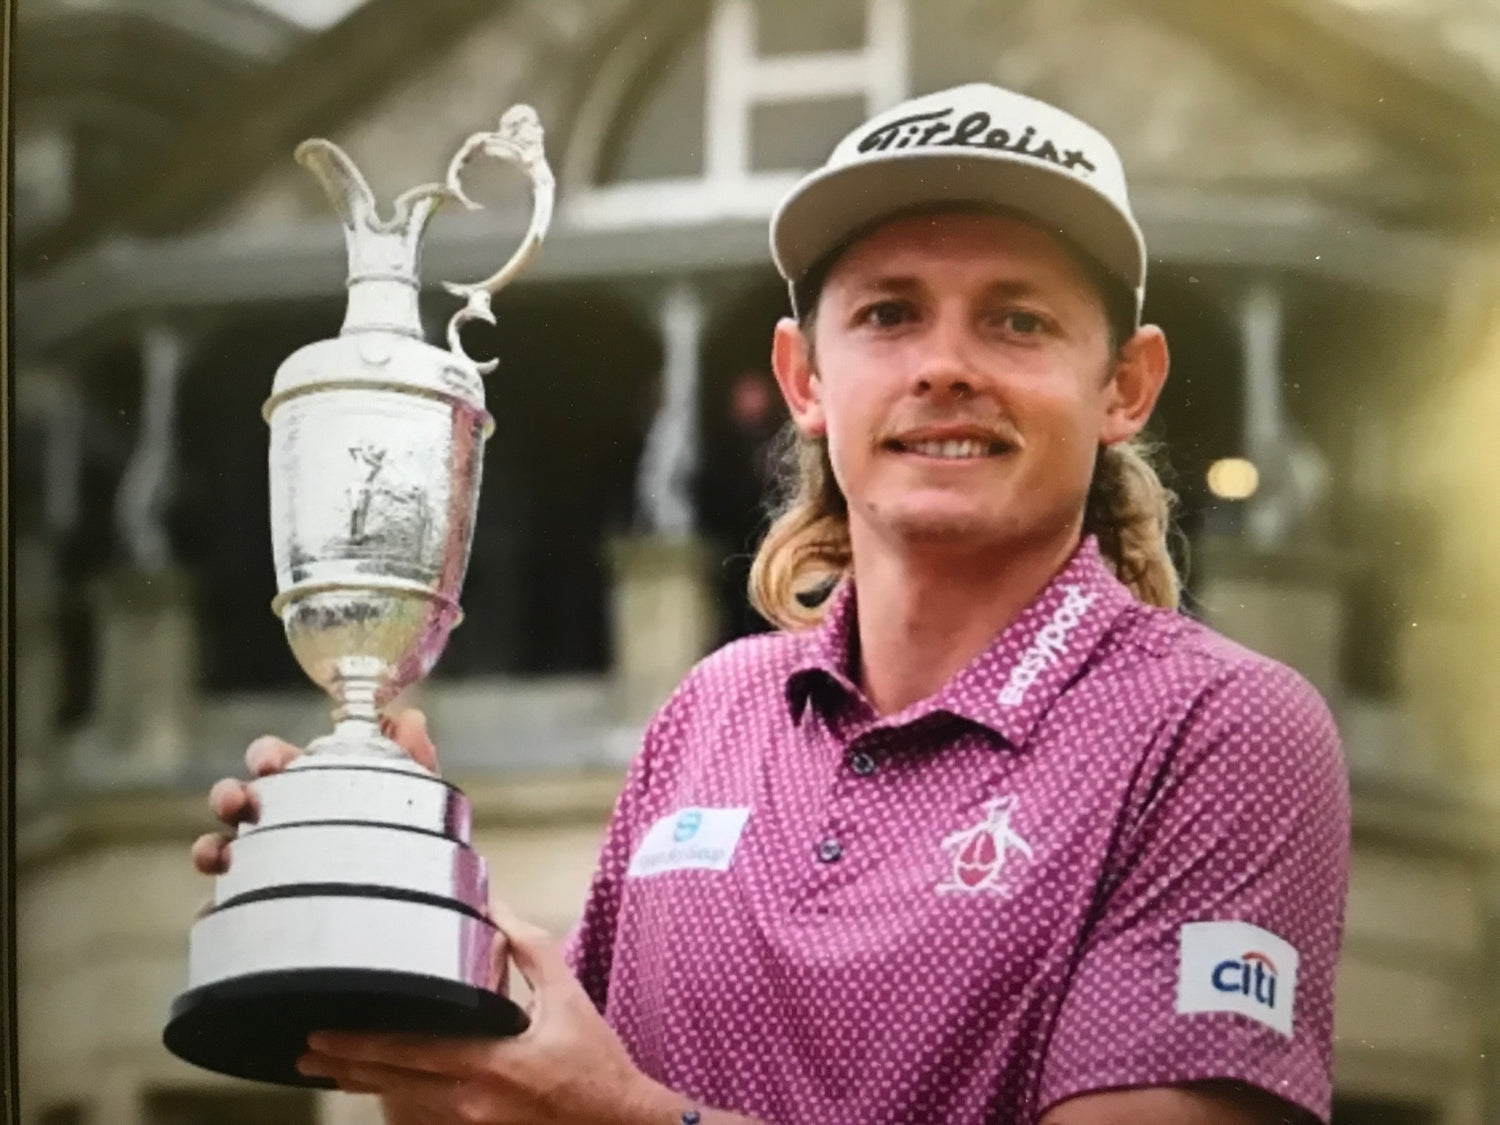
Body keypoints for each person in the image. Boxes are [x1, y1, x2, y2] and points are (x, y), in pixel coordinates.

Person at [194, 83, 1350, 1125]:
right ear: (804, 378)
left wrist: (641, 1124)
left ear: (1125, 387)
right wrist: (395, 911)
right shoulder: (711, 715)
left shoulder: (1223, 732)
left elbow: (609, 1113)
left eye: (1018, 319)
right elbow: (556, 1103)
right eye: (890, 314)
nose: (945, 365)